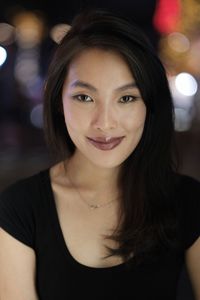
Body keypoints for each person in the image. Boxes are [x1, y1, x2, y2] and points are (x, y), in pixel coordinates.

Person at [0, 8, 200, 300]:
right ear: (57, 100)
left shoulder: (189, 203)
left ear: (149, 105)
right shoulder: (19, 210)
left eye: (126, 98)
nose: (105, 122)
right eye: (85, 97)